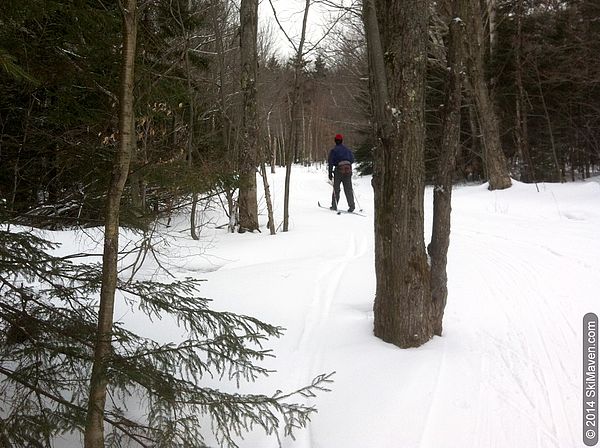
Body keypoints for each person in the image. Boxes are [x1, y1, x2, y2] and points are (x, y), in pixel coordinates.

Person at [328, 134, 356, 212]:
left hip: (338, 170)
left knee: (336, 188)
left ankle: (334, 206)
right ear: (342, 141)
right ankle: (352, 206)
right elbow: (352, 160)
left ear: (335, 141)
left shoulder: (333, 150)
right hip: (348, 170)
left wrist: (330, 174)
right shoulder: (347, 150)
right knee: (348, 188)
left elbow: (330, 163)